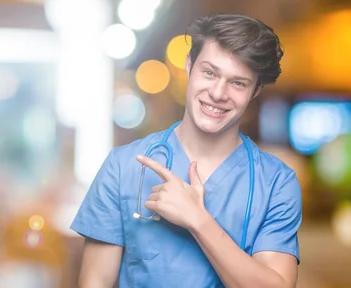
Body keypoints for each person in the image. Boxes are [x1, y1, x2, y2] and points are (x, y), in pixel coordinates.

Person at [70, 13, 302, 287]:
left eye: (238, 82)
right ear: (189, 66)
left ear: (256, 90)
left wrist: (198, 220)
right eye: (209, 72)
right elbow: (95, 282)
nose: (218, 92)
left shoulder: (276, 182)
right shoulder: (122, 167)